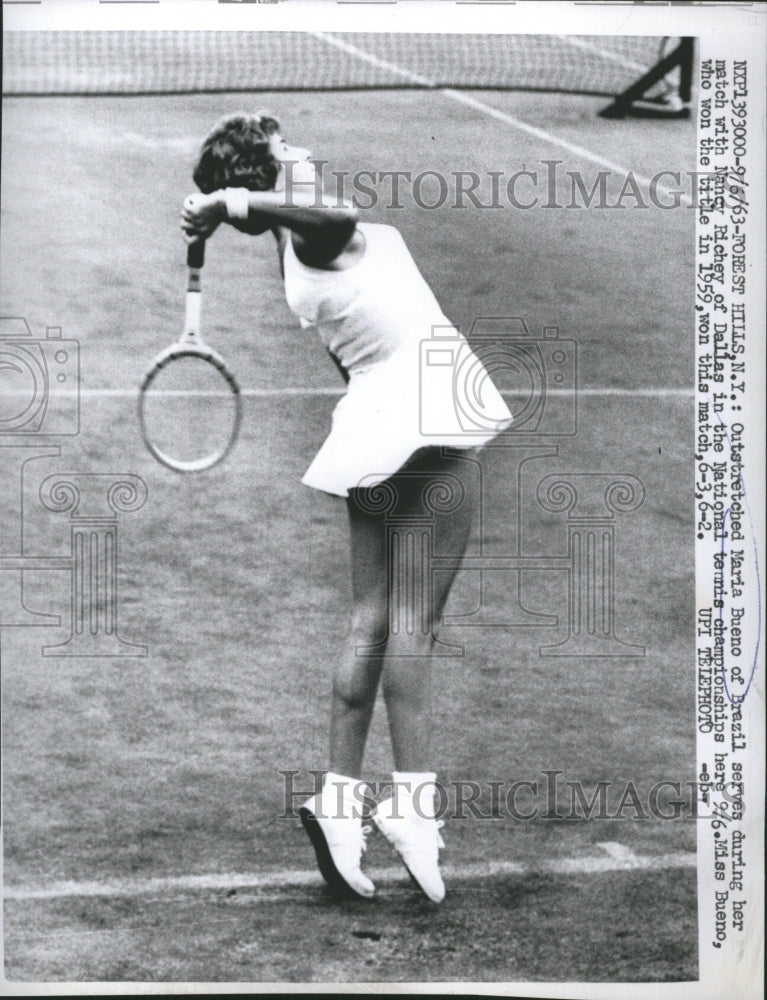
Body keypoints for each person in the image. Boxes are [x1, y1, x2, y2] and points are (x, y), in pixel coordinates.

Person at [181, 111, 512, 904]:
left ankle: (336, 809)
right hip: (430, 410)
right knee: (411, 623)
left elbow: (348, 334)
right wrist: (233, 205)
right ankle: (411, 808)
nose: (302, 152)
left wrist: (236, 208)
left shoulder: (293, 261)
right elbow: (336, 217)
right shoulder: (316, 234)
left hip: (373, 418)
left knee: (370, 618)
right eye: (283, 150)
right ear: (260, 179)